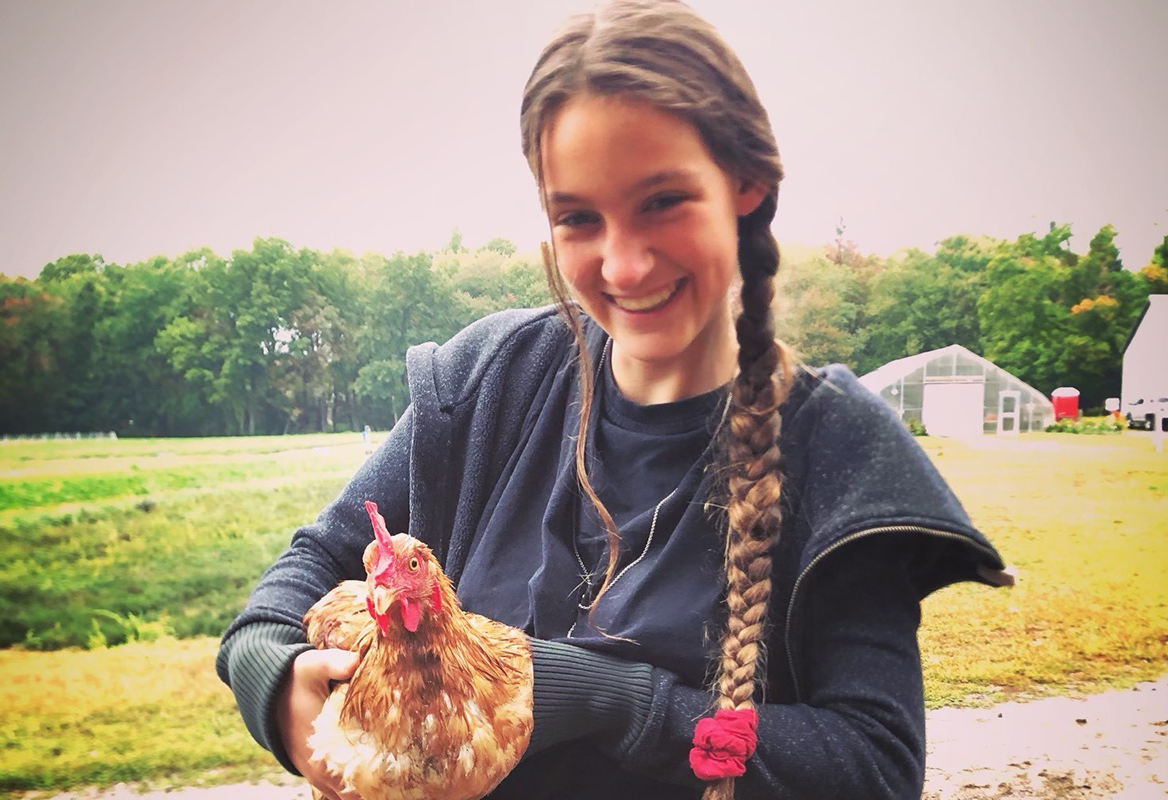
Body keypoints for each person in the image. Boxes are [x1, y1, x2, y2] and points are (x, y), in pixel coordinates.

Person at [216, 2, 1011, 798]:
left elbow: (873, 769)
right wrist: (272, 675)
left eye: (663, 201)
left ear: (747, 188)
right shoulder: (491, 383)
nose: (624, 265)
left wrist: (617, 702)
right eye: (579, 218)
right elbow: (308, 568)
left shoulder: (834, 447)